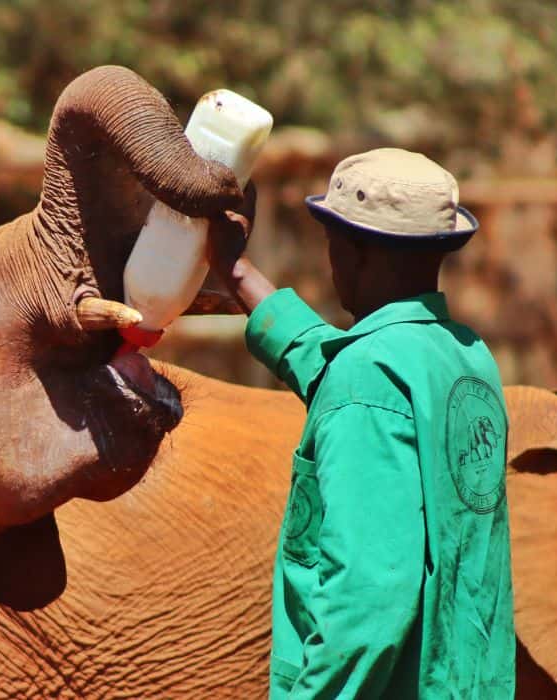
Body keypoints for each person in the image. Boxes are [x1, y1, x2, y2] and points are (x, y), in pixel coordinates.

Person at [209, 148, 515, 697]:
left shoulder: (367, 379)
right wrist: (237, 272)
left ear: (354, 252)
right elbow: (329, 364)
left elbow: (369, 598)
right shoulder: (465, 356)